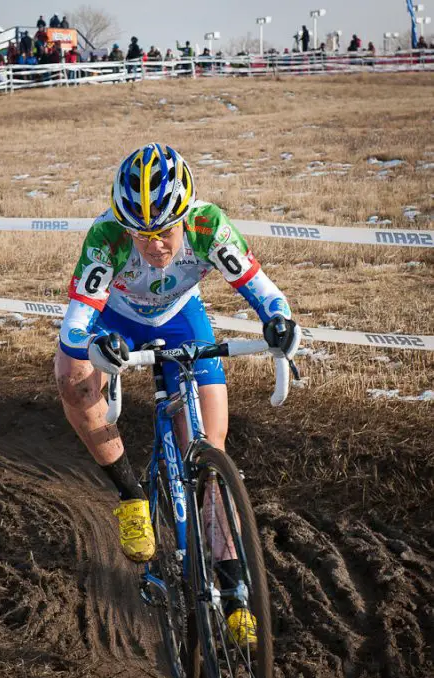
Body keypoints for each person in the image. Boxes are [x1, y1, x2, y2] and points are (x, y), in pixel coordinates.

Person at [55, 143, 300, 645]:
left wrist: (279, 322)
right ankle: (131, 495)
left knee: (212, 456)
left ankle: (233, 593)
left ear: (185, 217)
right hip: (116, 320)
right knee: (69, 375)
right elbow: (75, 326)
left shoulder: (209, 226)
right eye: (141, 235)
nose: (155, 247)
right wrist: (93, 343)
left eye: (165, 232)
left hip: (183, 321)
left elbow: (263, 290)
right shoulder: (106, 237)